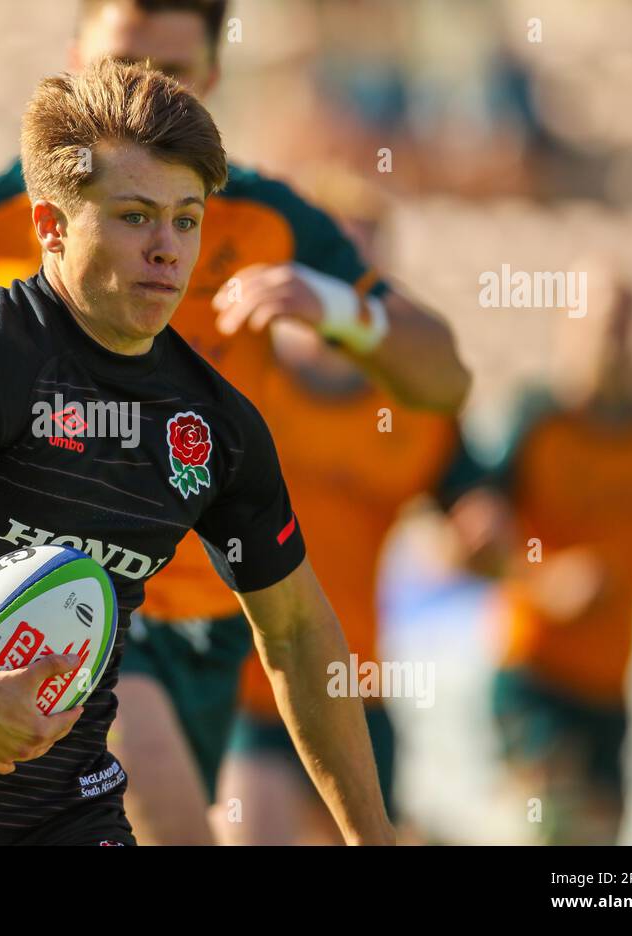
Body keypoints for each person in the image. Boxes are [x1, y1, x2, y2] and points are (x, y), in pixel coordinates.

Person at [0, 0, 468, 844]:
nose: (169, 248)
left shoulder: (222, 404)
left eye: (186, 221)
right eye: (135, 217)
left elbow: (300, 624)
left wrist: (373, 838)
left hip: (183, 652)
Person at [213, 177, 484, 844]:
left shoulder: (413, 410)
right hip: (247, 686)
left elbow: (478, 516)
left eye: (354, 276)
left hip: (353, 687)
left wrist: (483, 540)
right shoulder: (241, 378)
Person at [478, 267, 632, 845]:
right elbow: (466, 542)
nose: (612, 340)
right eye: (599, 324)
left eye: (624, 324)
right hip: (535, 671)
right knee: (549, 824)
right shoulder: (537, 422)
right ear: (567, 327)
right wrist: (545, 580)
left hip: (612, 685)